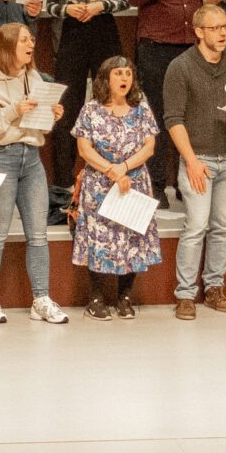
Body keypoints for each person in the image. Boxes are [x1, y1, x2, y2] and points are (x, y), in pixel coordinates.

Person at [0, 22, 69, 325]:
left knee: (38, 234)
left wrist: (50, 115)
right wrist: (14, 110)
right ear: (9, 45)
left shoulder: (32, 76)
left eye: (32, 39)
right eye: (25, 40)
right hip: (0, 158)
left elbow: (37, 125)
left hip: (31, 158)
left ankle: (41, 299)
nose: (31, 44)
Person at [124, 0, 217, 203]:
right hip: (157, 42)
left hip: (193, 41)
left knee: (191, 116)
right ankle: (155, 186)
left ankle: (185, 182)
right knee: (158, 116)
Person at [160, 6, 226, 319]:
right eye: (215, 28)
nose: (223, 33)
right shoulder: (180, 67)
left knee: (221, 227)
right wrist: (190, 162)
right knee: (196, 225)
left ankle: (214, 288)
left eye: (225, 26)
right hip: (197, 158)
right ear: (199, 32)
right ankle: (185, 295)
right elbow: (173, 120)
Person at [73, 56, 166, 322]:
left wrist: (124, 168)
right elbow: (84, 148)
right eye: (118, 73)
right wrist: (110, 170)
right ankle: (96, 298)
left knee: (131, 238)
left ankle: (125, 296)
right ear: (105, 78)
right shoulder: (90, 110)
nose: (124, 78)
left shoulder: (141, 108)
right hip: (99, 183)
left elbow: (149, 146)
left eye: (128, 73)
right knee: (99, 238)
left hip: (133, 181)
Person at [43, 0, 125, 207]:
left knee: (112, 101)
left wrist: (100, 6)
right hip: (73, 33)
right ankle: (63, 183)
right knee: (68, 105)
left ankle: (113, 174)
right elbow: (49, 6)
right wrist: (68, 9)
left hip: (103, 29)